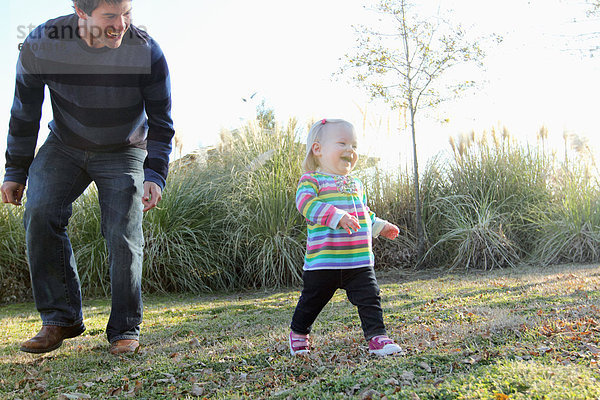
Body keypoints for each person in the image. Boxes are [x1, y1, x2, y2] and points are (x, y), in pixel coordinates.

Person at [0, 0, 175, 355]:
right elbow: (25, 112)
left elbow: (162, 122)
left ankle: (125, 328)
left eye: (126, 13)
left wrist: (154, 174)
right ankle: (60, 318)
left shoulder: (145, 51)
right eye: (110, 16)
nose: (121, 24)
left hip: (124, 148)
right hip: (64, 144)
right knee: (41, 211)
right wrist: (16, 170)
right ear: (81, 12)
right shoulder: (42, 43)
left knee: (123, 230)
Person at [289, 119, 403, 357]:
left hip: (358, 261)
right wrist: (336, 215)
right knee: (311, 302)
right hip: (324, 262)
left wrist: (379, 225)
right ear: (318, 149)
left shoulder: (356, 183)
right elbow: (306, 204)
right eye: (342, 143)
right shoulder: (312, 180)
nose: (350, 150)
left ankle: (377, 337)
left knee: (370, 299)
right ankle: (299, 333)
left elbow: (363, 213)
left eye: (354, 145)